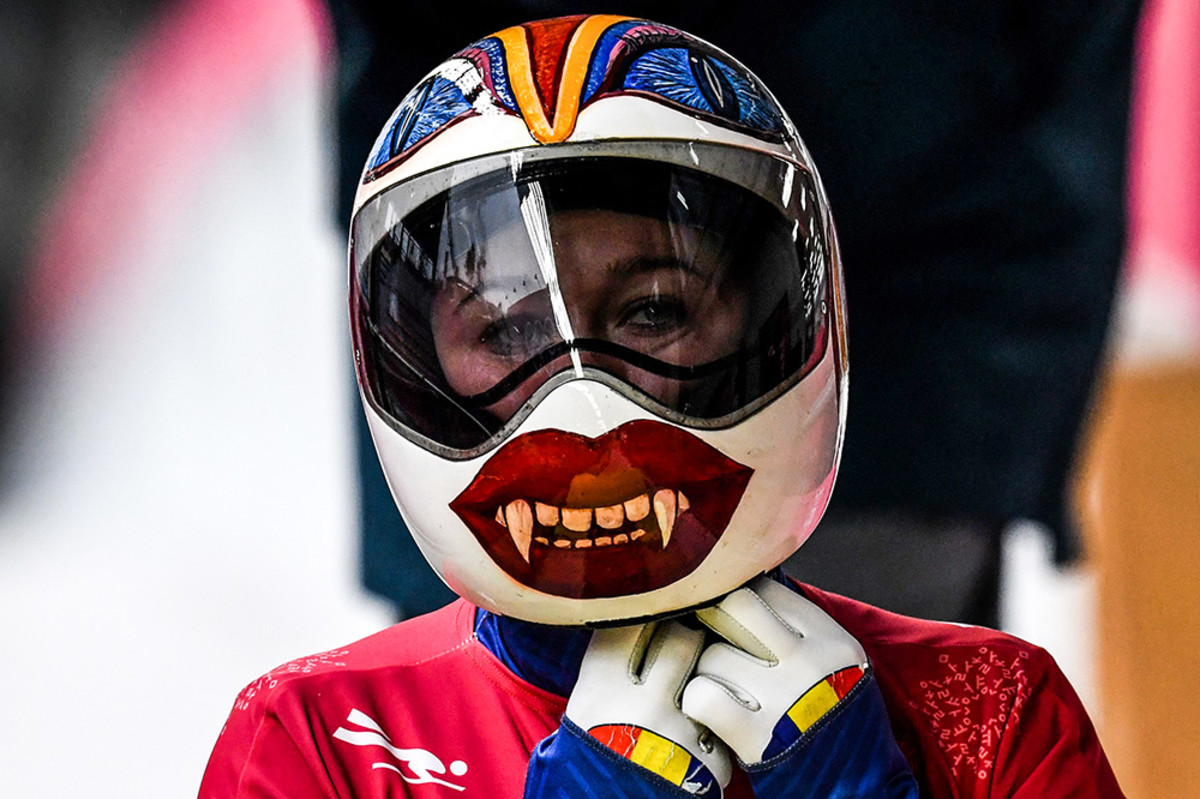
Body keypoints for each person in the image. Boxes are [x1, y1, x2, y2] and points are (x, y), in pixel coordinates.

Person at [200, 16, 1122, 797]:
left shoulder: (993, 709)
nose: (586, 407)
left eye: (654, 312)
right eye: (508, 329)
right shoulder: (319, 737)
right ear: (414, 355)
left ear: (775, 320)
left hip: (921, 416)